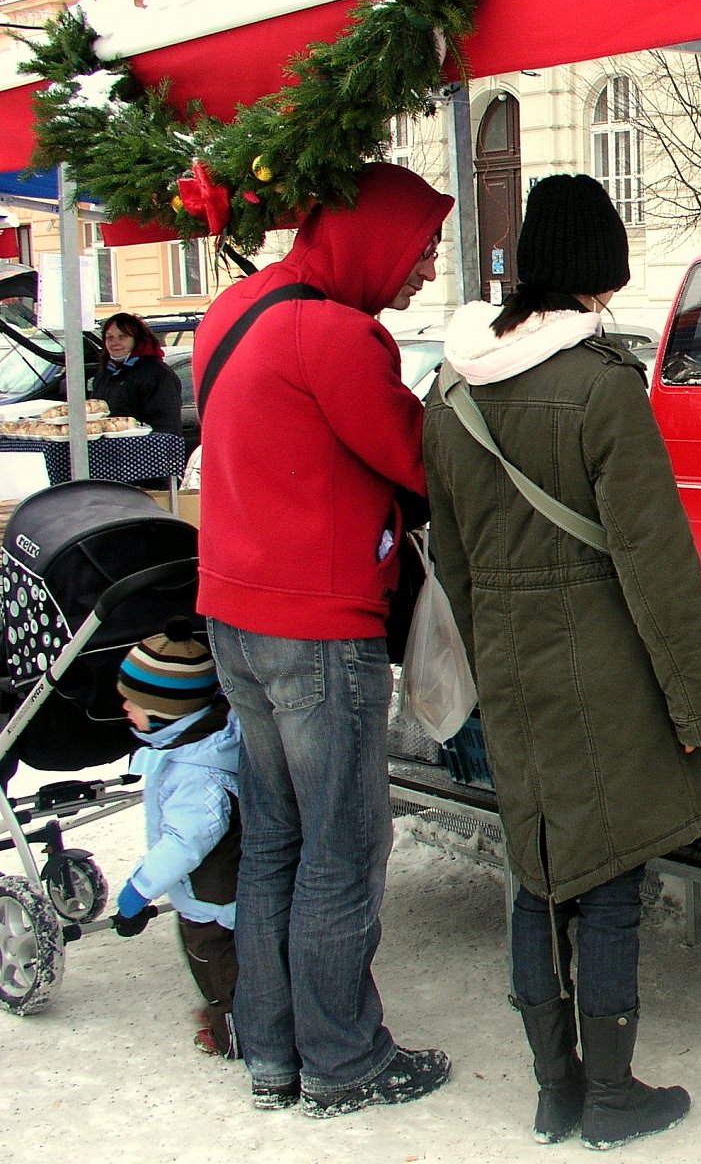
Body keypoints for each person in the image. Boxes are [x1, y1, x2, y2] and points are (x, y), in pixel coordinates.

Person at [422, 174, 701, 1150]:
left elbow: (451, 560)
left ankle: (553, 1089)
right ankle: (609, 1094)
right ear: (598, 267)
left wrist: (477, 673)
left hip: (511, 670)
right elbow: (659, 565)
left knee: (538, 870)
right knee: (606, 880)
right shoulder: (602, 385)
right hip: (603, 663)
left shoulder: (451, 389)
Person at [192, 161, 455, 1118]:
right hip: (316, 629)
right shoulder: (339, 335)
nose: (424, 270)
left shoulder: (236, 311)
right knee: (343, 847)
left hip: (234, 613)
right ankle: (344, 1063)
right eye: (420, 248)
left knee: (275, 842)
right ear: (375, 237)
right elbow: (416, 458)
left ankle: (271, 1052)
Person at [110, 616, 242, 1060]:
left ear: (165, 713)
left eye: (133, 703)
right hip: (219, 894)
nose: (125, 709)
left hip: (215, 901)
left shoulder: (196, 775)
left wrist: (138, 891)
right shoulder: (196, 743)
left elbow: (184, 843)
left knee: (217, 968)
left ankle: (235, 1036)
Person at [91, 312, 182, 434]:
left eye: (122, 337)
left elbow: (166, 422)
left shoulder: (157, 373)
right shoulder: (104, 373)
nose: (115, 342)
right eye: (110, 337)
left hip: (142, 448)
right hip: (108, 448)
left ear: (136, 340)